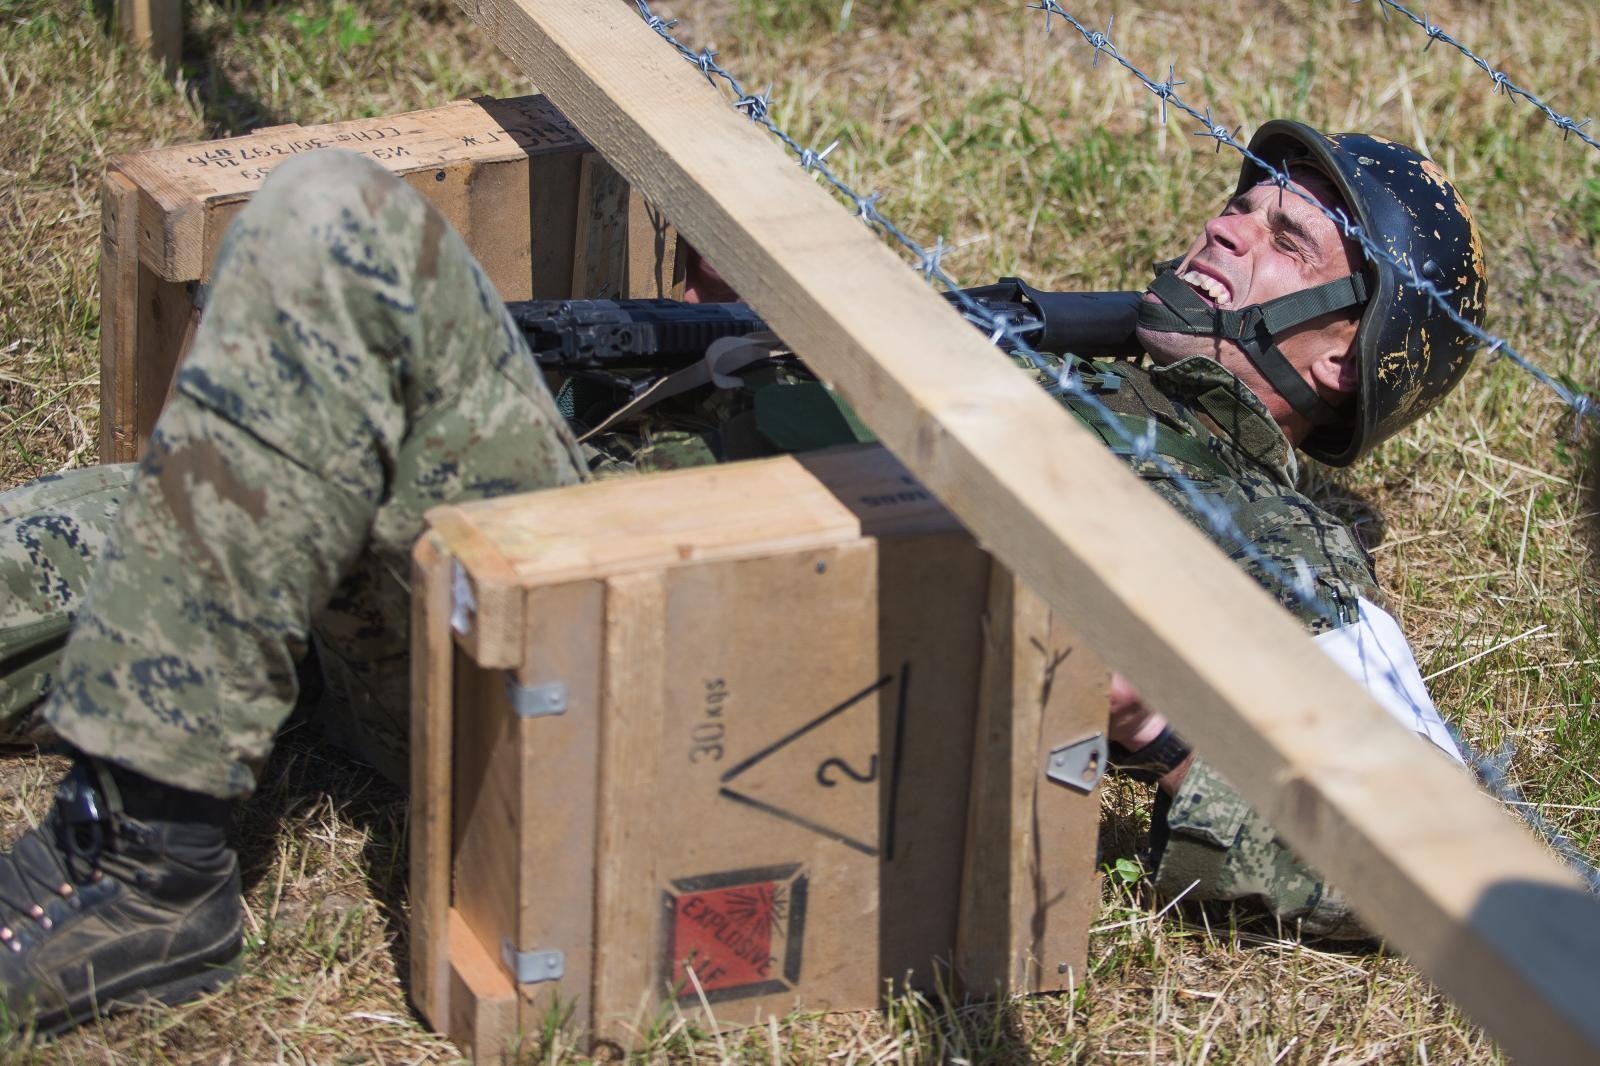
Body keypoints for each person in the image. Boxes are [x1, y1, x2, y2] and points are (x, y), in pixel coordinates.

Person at [0, 119, 1484, 1033]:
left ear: (1347, 352)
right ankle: (191, 741)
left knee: (334, 223)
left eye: (1286, 231)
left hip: (629, 679)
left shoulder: (1286, 553)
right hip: (504, 557)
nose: (1230, 220)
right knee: (156, 522)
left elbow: (1410, 848)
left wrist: (1153, 720)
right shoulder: (1050, 344)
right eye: (1244, 194)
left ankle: (151, 866)